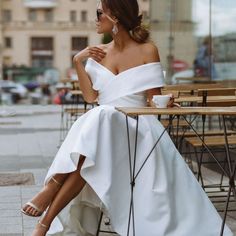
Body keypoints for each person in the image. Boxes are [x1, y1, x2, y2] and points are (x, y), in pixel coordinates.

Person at [21, 0, 233, 235]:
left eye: (99, 12)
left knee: (100, 122)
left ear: (115, 17)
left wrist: (165, 101)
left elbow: (153, 99)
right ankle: (45, 222)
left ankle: (49, 195)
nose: (95, 18)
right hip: (103, 130)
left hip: (138, 127)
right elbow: (92, 97)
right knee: (99, 127)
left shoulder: (147, 50)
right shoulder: (97, 55)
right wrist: (77, 62)